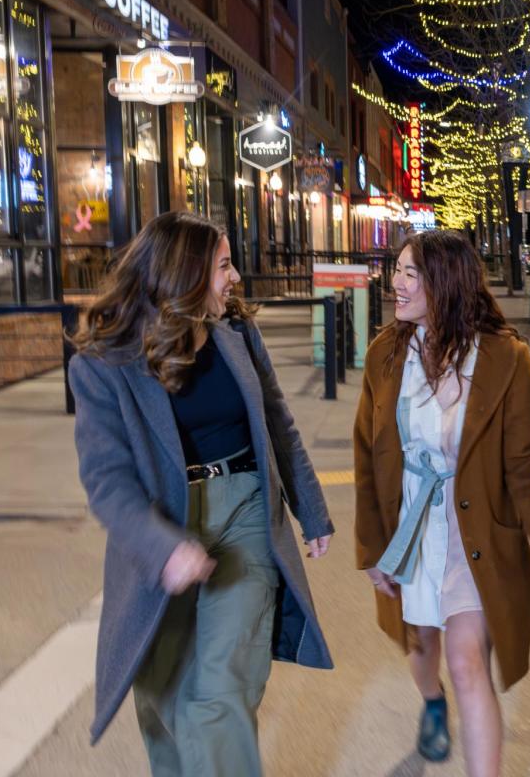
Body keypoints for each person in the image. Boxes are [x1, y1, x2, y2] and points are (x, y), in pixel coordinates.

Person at [69, 211, 334, 775]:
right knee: (161, 699)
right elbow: (107, 480)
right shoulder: (103, 365)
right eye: (222, 266)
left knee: (217, 696)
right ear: (182, 276)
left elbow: (277, 423)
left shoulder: (235, 333)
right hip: (163, 525)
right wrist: (165, 549)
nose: (234, 278)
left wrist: (312, 510)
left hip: (245, 513)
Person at [353, 230, 530, 777]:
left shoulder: (507, 359)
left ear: (446, 283)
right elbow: (367, 459)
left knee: (467, 662)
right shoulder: (384, 356)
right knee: (420, 645)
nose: (397, 282)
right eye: (398, 270)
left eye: (411, 273)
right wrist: (372, 547)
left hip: (475, 533)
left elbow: (525, 463)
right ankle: (431, 700)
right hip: (408, 525)